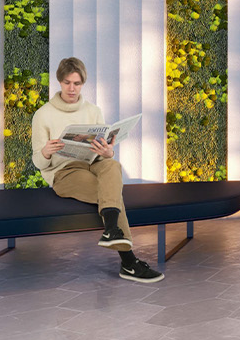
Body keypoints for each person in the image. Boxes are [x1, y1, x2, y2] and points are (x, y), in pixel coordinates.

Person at [29, 57, 164, 282]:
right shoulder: (43, 114)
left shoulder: (93, 110)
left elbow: (103, 150)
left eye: (77, 83)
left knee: (112, 163)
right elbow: (38, 162)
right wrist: (45, 152)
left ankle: (113, 232)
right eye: (67, 83)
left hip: (94, 163)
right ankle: (128, 260)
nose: (72, 88)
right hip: (65, 172)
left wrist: (107, 151)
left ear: (83, 83)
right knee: (111, 195)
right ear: (59, 82)